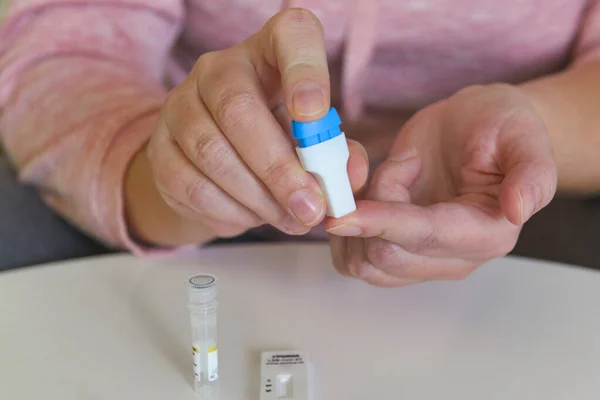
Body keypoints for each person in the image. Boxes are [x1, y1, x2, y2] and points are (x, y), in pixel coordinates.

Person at [1, 0, 599, 281]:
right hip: (176, 180)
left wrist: (533, 126)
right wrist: (170, 181)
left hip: (530, 200)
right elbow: (63, 47)